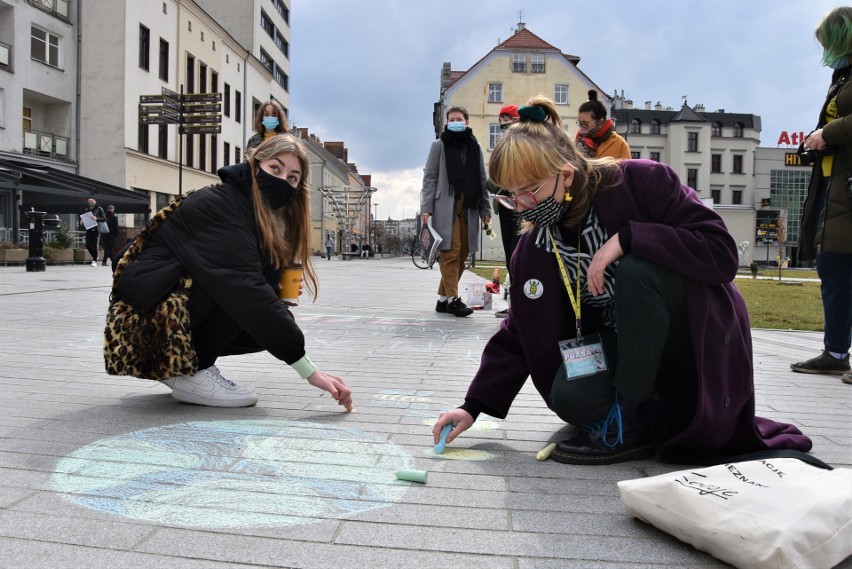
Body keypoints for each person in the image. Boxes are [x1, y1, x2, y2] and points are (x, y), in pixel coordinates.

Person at [432, 96, 812, 465]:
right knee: (571, 396)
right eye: (510, 198)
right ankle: (649, 418)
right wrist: (473, 405)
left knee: (636, 271)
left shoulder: (640, 182)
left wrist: (631, 239)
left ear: (565, 174)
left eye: (529, 192)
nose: (522, 207)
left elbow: (721, 253)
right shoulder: (534, 248)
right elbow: (520, 330)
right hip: (622, 344)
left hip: (687, 335)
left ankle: (629, 422)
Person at [109, 135, 353, 409]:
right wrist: (308, 370)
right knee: (244, 298)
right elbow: (244, 289)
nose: (283, 180)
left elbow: (252, 287)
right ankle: (187, 370)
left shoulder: (250, 213)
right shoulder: (219, 207)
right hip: (146, 329)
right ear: (253, 165)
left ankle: (190, 364)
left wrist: (274, 292)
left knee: (267, 315)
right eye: (275, 168)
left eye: (293, 177)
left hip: (160, 319)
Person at [790, 7, 852, 385]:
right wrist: (817, 139)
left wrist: (828, 134)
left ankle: (836, 352)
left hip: (847, 187)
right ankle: (834, 353)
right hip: (835, 186)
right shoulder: (842, 76)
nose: (826, 50)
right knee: (833, 269)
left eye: (829, 42)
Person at [420, 106, 492, 317]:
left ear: (466, 121)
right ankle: (453, 299)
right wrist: (426, 207)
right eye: (451, 119)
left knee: (462, 254)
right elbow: (430, 177)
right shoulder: (439, 146)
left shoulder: (474, 146)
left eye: (459, 119)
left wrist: (485, 207)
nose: (455, 122)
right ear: (446, 122)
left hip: (468, 207)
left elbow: (481, 178)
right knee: (450, 252)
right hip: (445, 207)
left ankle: (442, 300)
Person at [492, 104, 522, 318]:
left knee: (518, 254)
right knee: (509, 256)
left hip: (521, 204)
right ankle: (513, 303)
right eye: (501, 122)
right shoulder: (501, 145)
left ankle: (520, 304)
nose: (503, 126)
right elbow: (494, 178)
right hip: (505, 203)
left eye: (507, 121)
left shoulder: (523, 142)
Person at [575, 90, 631, 160]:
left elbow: (627, 170)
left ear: (600, 121)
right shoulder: (575, 142)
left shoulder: (619, 143)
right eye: (579, 123)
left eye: (585, 123)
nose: (581, 127)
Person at [80, 198, 105, 267]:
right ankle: (95, 256)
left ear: (95, 202)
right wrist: (82, 220)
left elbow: (104, 218)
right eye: (89, 201)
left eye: (91, 201)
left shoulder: (99, 209)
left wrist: (96, 218)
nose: (90, 202)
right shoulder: (86, 209)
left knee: (94, 245)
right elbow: (84, 217)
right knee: (88, 245)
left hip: (96, 229)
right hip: (89, 229)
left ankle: (94, 261)